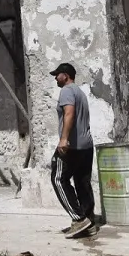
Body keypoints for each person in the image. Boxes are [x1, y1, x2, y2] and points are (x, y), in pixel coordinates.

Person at [50, 63, 94, 239]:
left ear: (66, 75)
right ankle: (88, 220)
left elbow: (69, 113)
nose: (55, 78)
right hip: (86, 145)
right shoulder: (81, 93)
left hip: (72, 146)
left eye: (57, 75)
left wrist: (63, 139)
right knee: (82, 182)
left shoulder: (67, 91)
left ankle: (79, 219)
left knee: (58, 179)